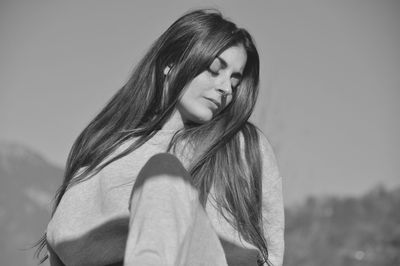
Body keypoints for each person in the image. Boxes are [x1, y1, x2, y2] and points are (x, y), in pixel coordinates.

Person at [35, 8, 284, 266]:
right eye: (213, 69)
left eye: (234, 80)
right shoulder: (106, 150)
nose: (225, 88)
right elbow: (61, 242)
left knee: (163, 173)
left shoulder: (241, 146)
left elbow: (271, 253)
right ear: (171, 65)